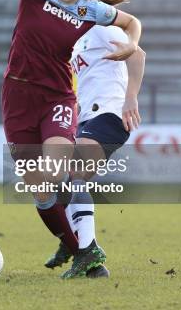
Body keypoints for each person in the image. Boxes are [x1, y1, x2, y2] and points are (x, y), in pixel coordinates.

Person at [0, 0, 142, 279]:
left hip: (57, 97)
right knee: (41, 190)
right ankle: (80, 250)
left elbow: (131, 22)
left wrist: (132, 45)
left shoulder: (90, 10)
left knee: (59, 170)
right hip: (17, 96)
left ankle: (85, 250)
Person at [44, 25, 146, 278]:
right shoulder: (75, 41)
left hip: (110, 114)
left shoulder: (101, 29)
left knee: (73, 173)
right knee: (62, 181)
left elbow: (137, 54)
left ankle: (87, 252)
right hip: (87, 118)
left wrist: (130, 97)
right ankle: (78, 246)